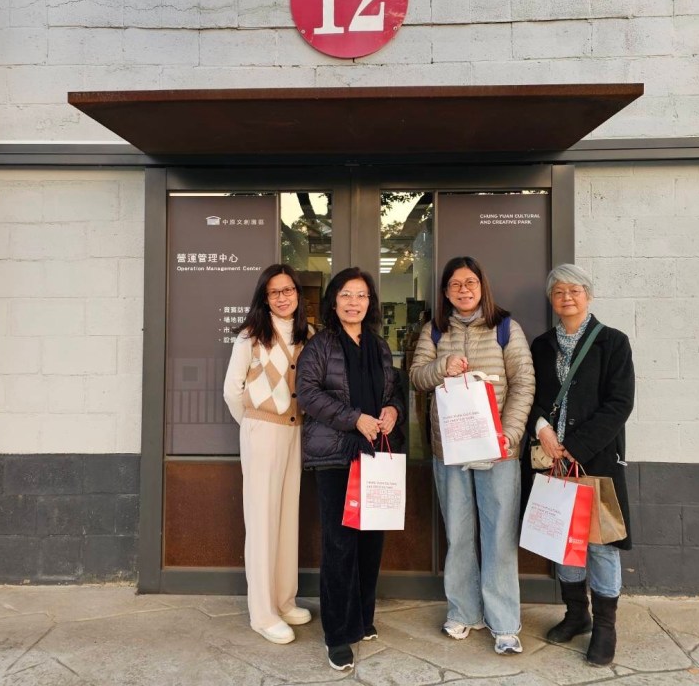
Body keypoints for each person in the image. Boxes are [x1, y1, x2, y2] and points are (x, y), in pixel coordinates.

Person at [409, 256, 535, 655]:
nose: (464, 290)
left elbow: (523, 383)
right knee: (459, 534)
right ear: (446, 292)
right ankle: (463, 612)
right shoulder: (434, 330)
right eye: (455, 285)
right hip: (450, 449)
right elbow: (416, 377)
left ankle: (504, 623)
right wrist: (442, 366)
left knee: (499, 536)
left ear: (482, 287)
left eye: (471, 283)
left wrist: (510, 434)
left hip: (498, 452)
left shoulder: (506, 328)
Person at [296, 267, 405, 672]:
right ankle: (338, 634)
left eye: (361, 295)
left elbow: (393, 391)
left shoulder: (379, 346)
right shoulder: (320, 345)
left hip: (374, 454)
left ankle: (362, 616)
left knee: (371, 540)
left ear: (369, 302)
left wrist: (392, 411)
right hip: (336, 455)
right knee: (340, 544)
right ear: (334, 301)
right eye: (346, 294)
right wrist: (354, 418)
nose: (353, 302)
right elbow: (307, 393)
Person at [529, 263, 635, 667]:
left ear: (588, 295)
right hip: (552, 460)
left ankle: (606, 626)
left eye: (575, 291)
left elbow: (619, 404)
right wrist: (542, 429)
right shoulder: (541, 345)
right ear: (551, 300)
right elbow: (532, 395)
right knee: (564, 538)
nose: (567, 298)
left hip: (597, 459)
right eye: (559, 292)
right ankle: (576, 614)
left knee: (599, 542)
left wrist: (576, 446)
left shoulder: (613, 342)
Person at [223, 264, 313, 645]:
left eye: (288, 290)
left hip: (296, 432)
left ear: (297, 294)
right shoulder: (251, 336)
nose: (282, 297)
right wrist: (253, 423)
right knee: (262, 520)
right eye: (274, 292)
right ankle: (262, 613)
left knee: (287, 517)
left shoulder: (308, 335)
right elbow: (232, 390)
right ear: (265, 297)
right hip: (262, 431)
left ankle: (283, 600)